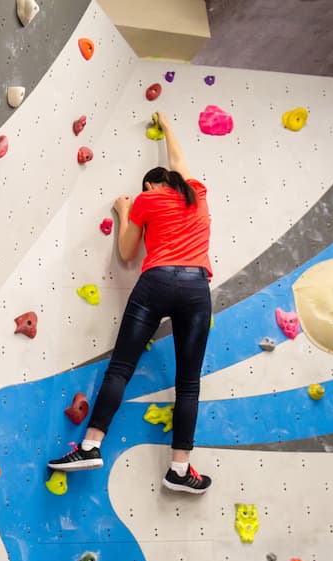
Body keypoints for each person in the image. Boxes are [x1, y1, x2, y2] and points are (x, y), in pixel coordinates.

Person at [48, 112, 213, 494]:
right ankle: (179, 469)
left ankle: (90, 446)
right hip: (195, 286)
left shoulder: (146, 201)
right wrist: (169, 127)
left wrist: (124, 213)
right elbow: (179, 162)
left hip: (156, 281)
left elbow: (126, 253)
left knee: (121, 367)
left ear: (154, 186)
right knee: (188, 385)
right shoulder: (197, 193)